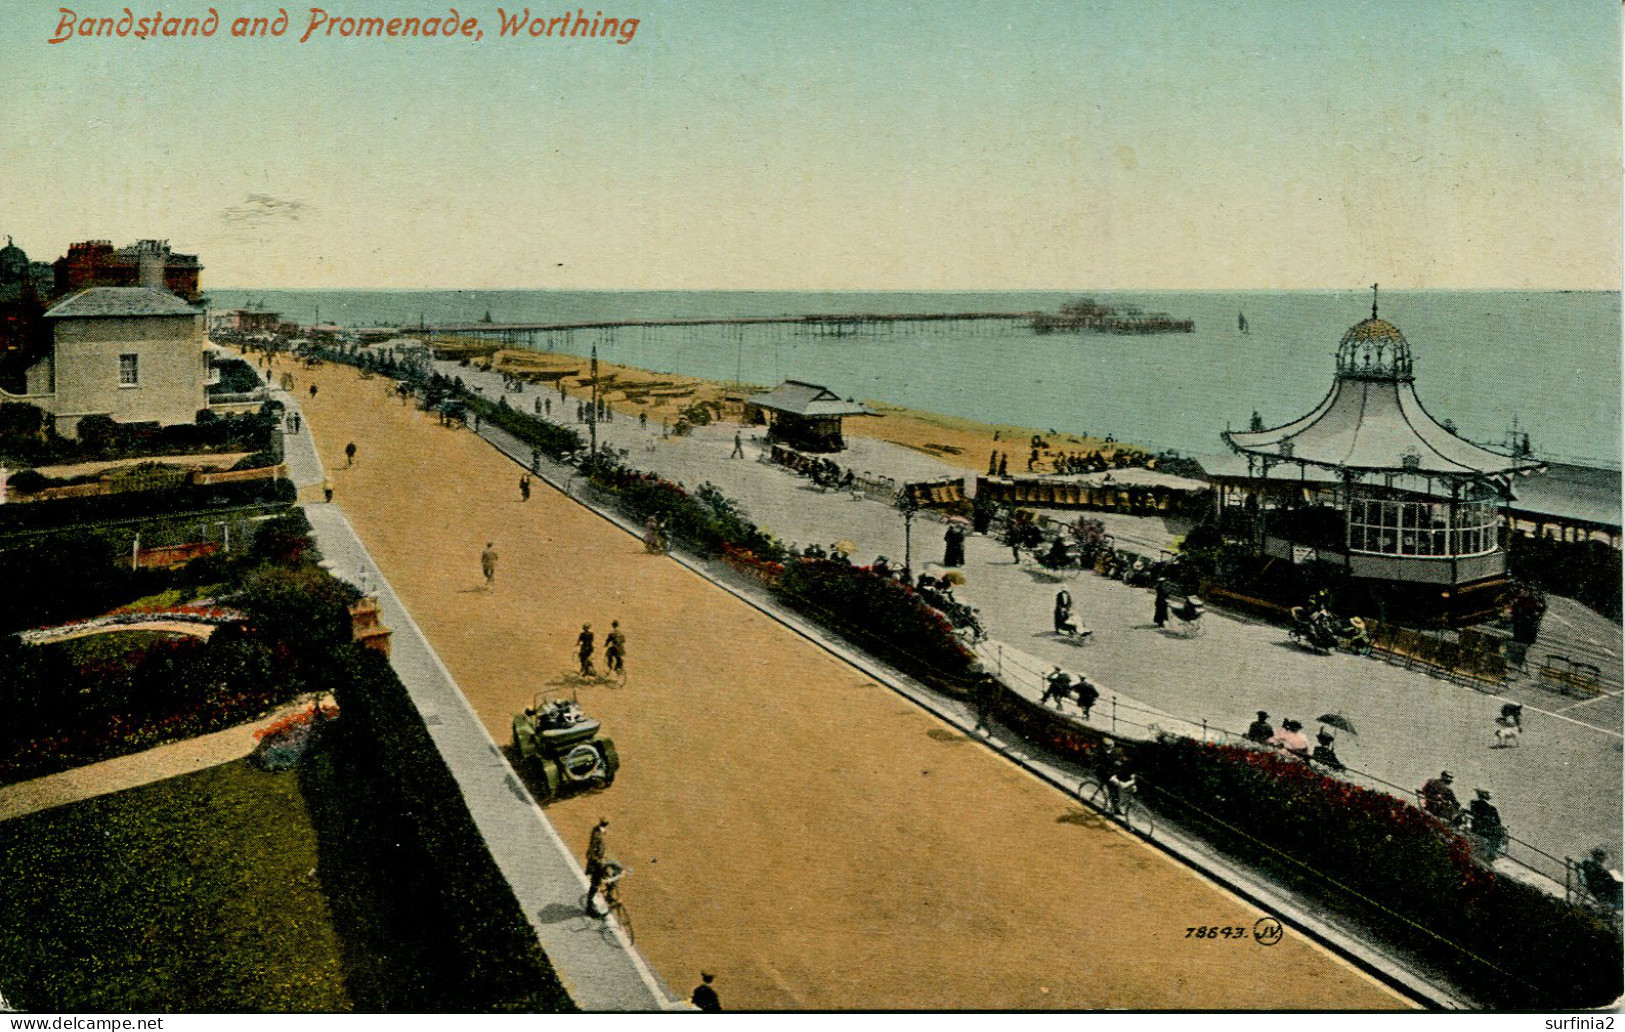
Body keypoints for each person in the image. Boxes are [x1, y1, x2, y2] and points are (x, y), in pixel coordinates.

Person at [1468, 789, 1506, 855]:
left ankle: (1492, 849)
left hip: (1480, 828)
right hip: (1482, 828)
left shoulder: (1474, 803)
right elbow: (1498, 821)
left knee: (1497, 832)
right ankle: (1494, 850)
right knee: (1498, 832)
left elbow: (1474, 814)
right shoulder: (1491, 808)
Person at [584, 818, 611, 910]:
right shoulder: (596, 836)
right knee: (595, 884)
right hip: (596, 865)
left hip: (600, 861)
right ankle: (589, 905)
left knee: (608, 876)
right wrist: (599, 862)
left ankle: (606, 894)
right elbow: (591, 853)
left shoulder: (598, 831)